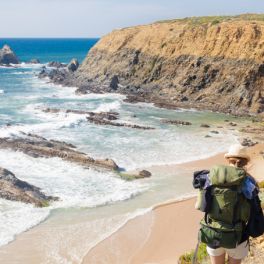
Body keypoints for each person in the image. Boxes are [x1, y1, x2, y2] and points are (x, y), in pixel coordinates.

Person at [193, 145, 259, 264]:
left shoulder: (211, 177)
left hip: (212, 234)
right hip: (237, 236)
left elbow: (201, 205)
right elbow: (255, 211)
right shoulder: (249, 182)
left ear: (228, 160)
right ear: (245, 162)